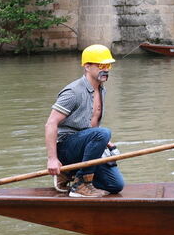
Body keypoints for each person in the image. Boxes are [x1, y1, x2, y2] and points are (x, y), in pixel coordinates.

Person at [44, 45, 125, 198]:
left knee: (115, 185)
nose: (106, 69)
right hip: (66, 148)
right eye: (101, 65)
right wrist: (52, 159)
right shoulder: (73, 92)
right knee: (103, 133)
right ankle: (80, 185)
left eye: (108, 65)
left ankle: (72, 174)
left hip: (84, 145)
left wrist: (107, 143)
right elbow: (51, 124)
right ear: (87, 66)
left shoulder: (102, 90)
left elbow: (92, 124)